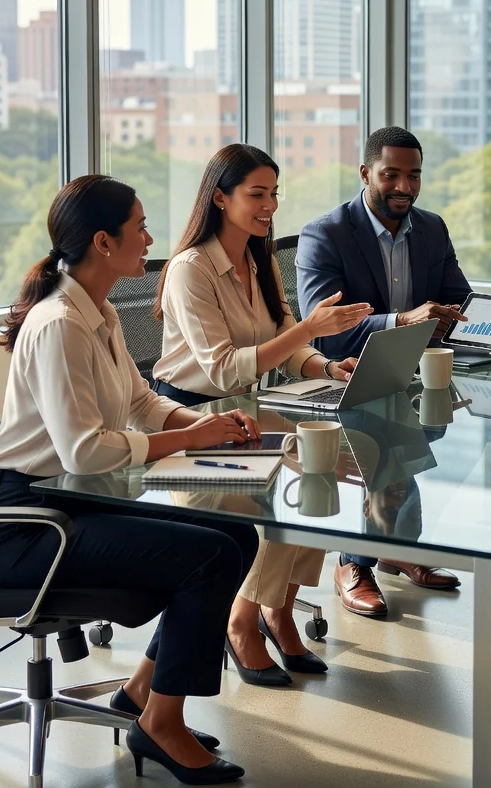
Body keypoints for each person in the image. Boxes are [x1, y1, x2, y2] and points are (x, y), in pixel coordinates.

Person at [0, 175, 262, 785]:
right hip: (26, 525)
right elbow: (84, 450)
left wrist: (208, 425)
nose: (150, 239)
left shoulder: (98, 312)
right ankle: (162, 725)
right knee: (208, 556)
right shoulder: (59, 323)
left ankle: (140, 695)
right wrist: (191, 439)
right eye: (140, 228)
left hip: (71, 501)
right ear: (104, 242)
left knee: (236, 535)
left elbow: (142, 403)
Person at [153, 144, 372, 686]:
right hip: (191, 422)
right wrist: (309, 331)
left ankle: (278, 609)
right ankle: (241, 621)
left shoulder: (259, 259)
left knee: (323, 474)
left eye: (274, 193)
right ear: (219, 198)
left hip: (244, 416)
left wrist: (326, 364)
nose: (270, 205)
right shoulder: (190, 269)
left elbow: (286, 339)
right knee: (281, 497)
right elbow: (224, 368)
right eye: (257, 194)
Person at [296, 126, 471, 617]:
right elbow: (325, 331)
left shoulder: (431, 227)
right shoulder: (325, 234)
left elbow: (458, 298)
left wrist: (482, 323)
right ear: (365, 173)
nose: (404, 187)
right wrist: (402, 321)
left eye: (413, 176)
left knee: (434, 417)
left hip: (412, 372)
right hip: (343, 375)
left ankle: (398, 548)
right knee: (384, 429)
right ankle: (353, 562)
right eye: (391, 175)